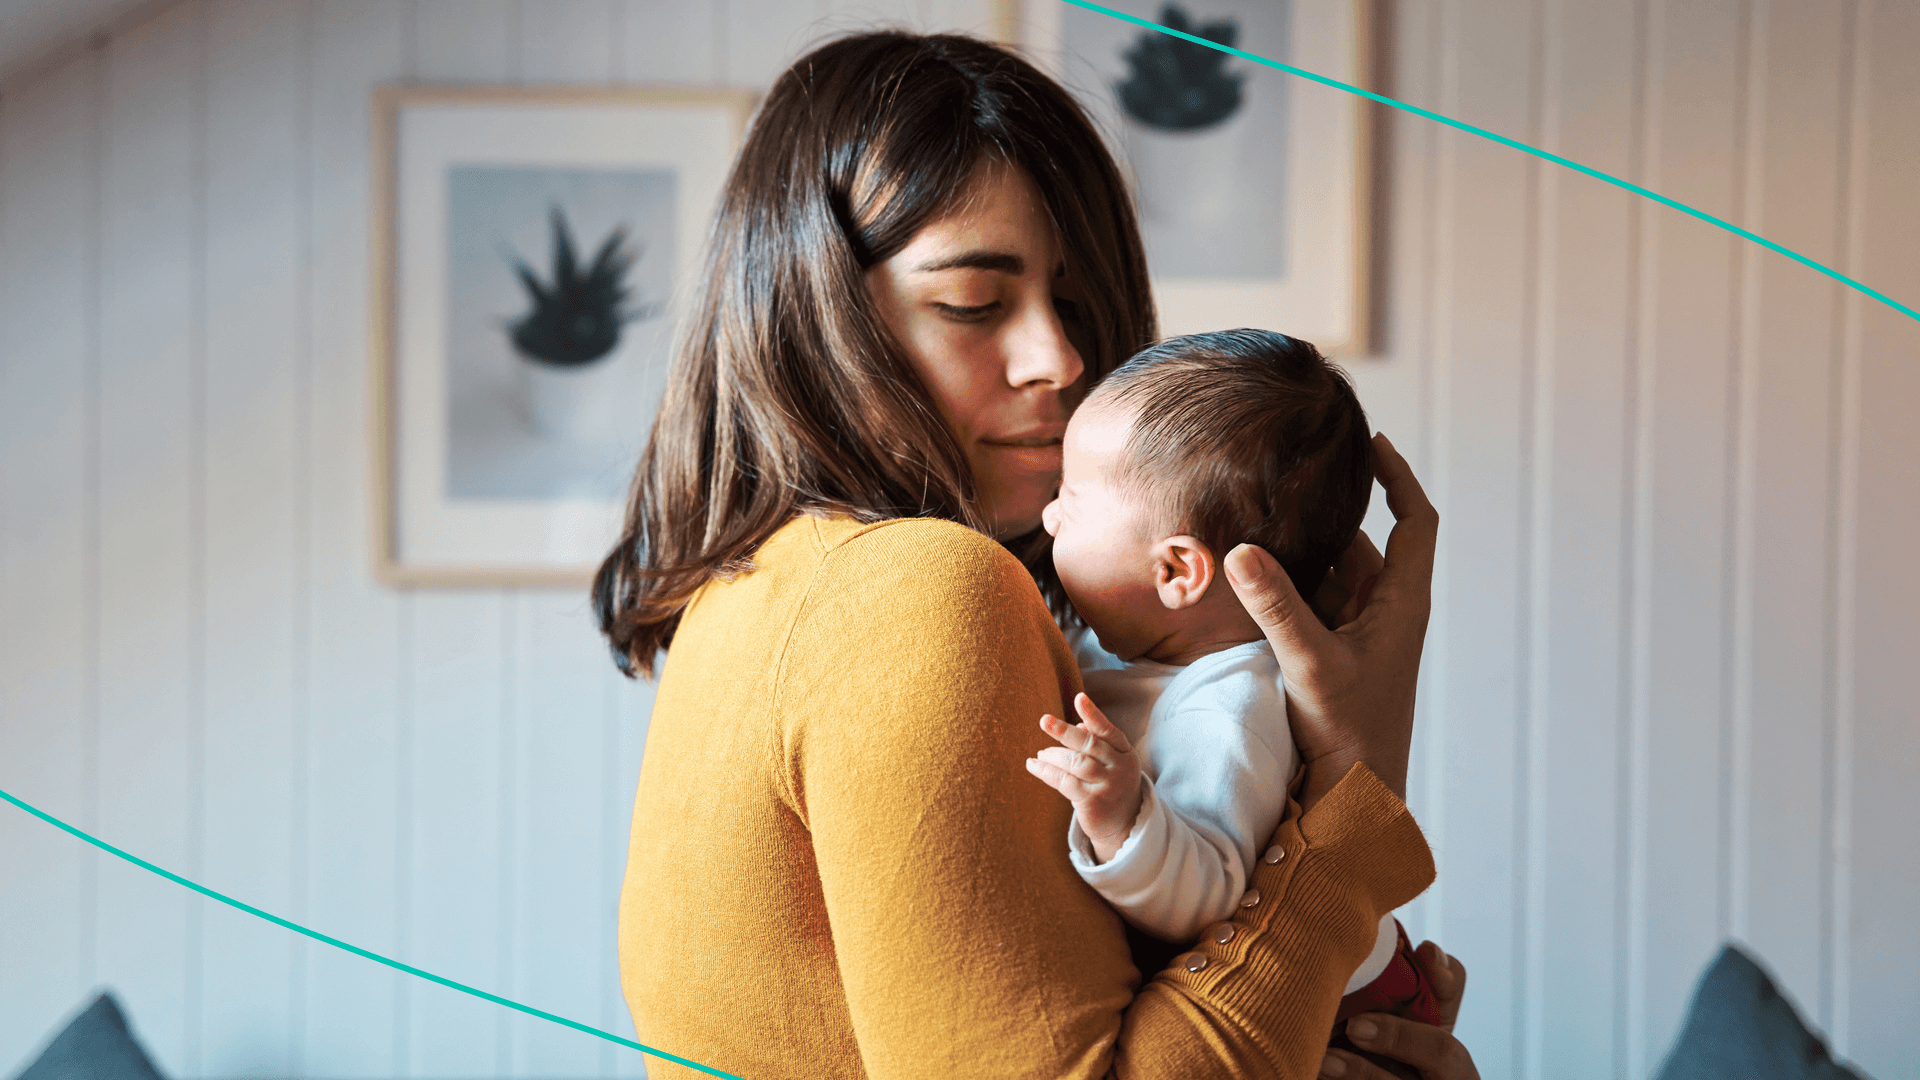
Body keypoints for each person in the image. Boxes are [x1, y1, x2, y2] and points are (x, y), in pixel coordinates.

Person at [594, 30, 1479, 1080]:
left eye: (1077, 300)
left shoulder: (759, 592)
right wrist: (1351, 796)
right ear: (817, 317)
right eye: (975, 302)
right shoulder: (913, 589)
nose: (1058, 358)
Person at [1026, 330, 1443, 1037]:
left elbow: (1211, 894)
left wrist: (1124, 814)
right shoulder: (1150, 650)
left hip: (1346, 1014)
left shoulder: (1227, 711)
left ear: (1176, 573)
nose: (1049, 513)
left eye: (1072, 497)